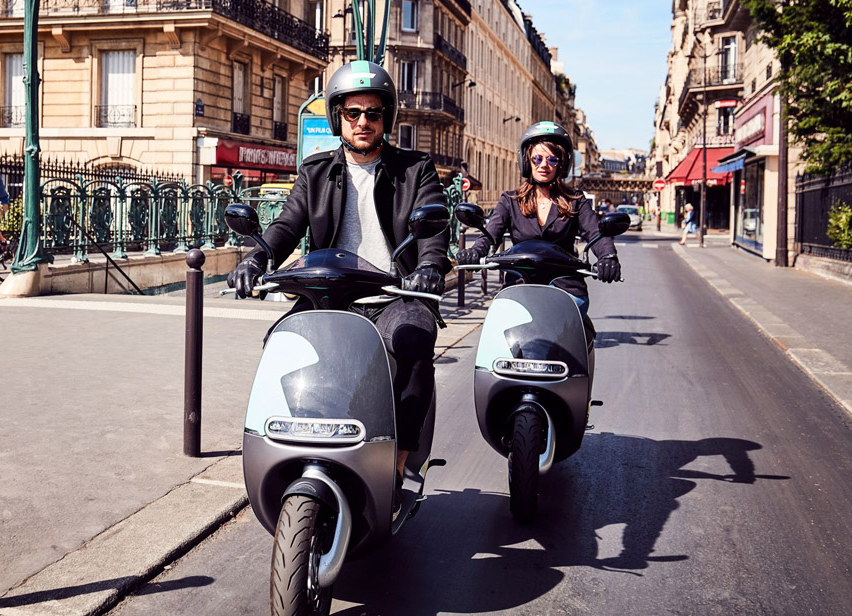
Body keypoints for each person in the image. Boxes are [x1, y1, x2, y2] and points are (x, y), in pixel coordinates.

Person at [227, 61, 450, 481]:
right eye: (353, 113)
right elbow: (287, 225)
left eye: (373, 113)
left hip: (395, 296)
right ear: (337, 118)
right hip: (329, 295)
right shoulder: (315, 172)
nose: (363, 122)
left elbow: (433, 234)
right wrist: (257, 258)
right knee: (281, 343)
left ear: (387, 118)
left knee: (415, 340)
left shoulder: (416, 170)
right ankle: (289, 448)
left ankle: (398, 466)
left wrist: (430, 269)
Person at [454, 121, 621, 335]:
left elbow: (595, 232)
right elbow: (491, 234)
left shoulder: (575, 201)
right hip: (520, 287)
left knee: (563, 333)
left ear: (562, 164)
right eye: (537, 158)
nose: (544, 165)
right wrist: (476, 252)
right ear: (527, 162)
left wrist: (608, 257)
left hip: (565, 288)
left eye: (552, 159)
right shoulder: (510, 200)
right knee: (498, 332)